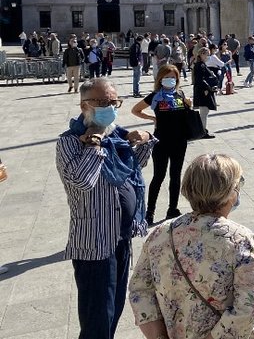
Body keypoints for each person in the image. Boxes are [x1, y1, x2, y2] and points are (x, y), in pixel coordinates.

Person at [128, 154, 254, 339]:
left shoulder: (161, 233)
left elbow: (139, 290)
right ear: (230, 193)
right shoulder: (243, 241)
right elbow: (248, 307)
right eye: (238, 185)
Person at [56, 78, 156, 339]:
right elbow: (82, 181)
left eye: (114, 102)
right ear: (84, 105)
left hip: (121, 239)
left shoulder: (117, 135)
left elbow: (136, 166)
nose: (109, 107)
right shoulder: (70, 142)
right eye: (102, 102)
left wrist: (145, 138)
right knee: (96, 320)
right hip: (94, 244)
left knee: (113, 311)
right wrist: (94, 146)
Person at [131, 65, 193, 225]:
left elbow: (185, 114)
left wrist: (188, 104)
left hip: (179, 141)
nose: (170, 80)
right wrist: (152, 119)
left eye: (173, 77)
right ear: (160, 79)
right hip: (161, 141)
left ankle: (173, 208)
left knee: (176, 175)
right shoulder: (155, 96)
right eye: (167, 77)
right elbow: (135, 110)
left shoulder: (180, 94)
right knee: (158, 176)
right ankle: (150, 211)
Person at [192, 47, 218, 139]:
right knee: (204, 111)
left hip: (203, 90)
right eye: (207, 54)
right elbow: (200, 79)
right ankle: (202, 131)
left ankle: (202, 130)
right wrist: (207, 88)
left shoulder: (202, 64)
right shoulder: (200, 65)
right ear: (202, 54)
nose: (208, 56)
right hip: (203, 91)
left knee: (204, 111)